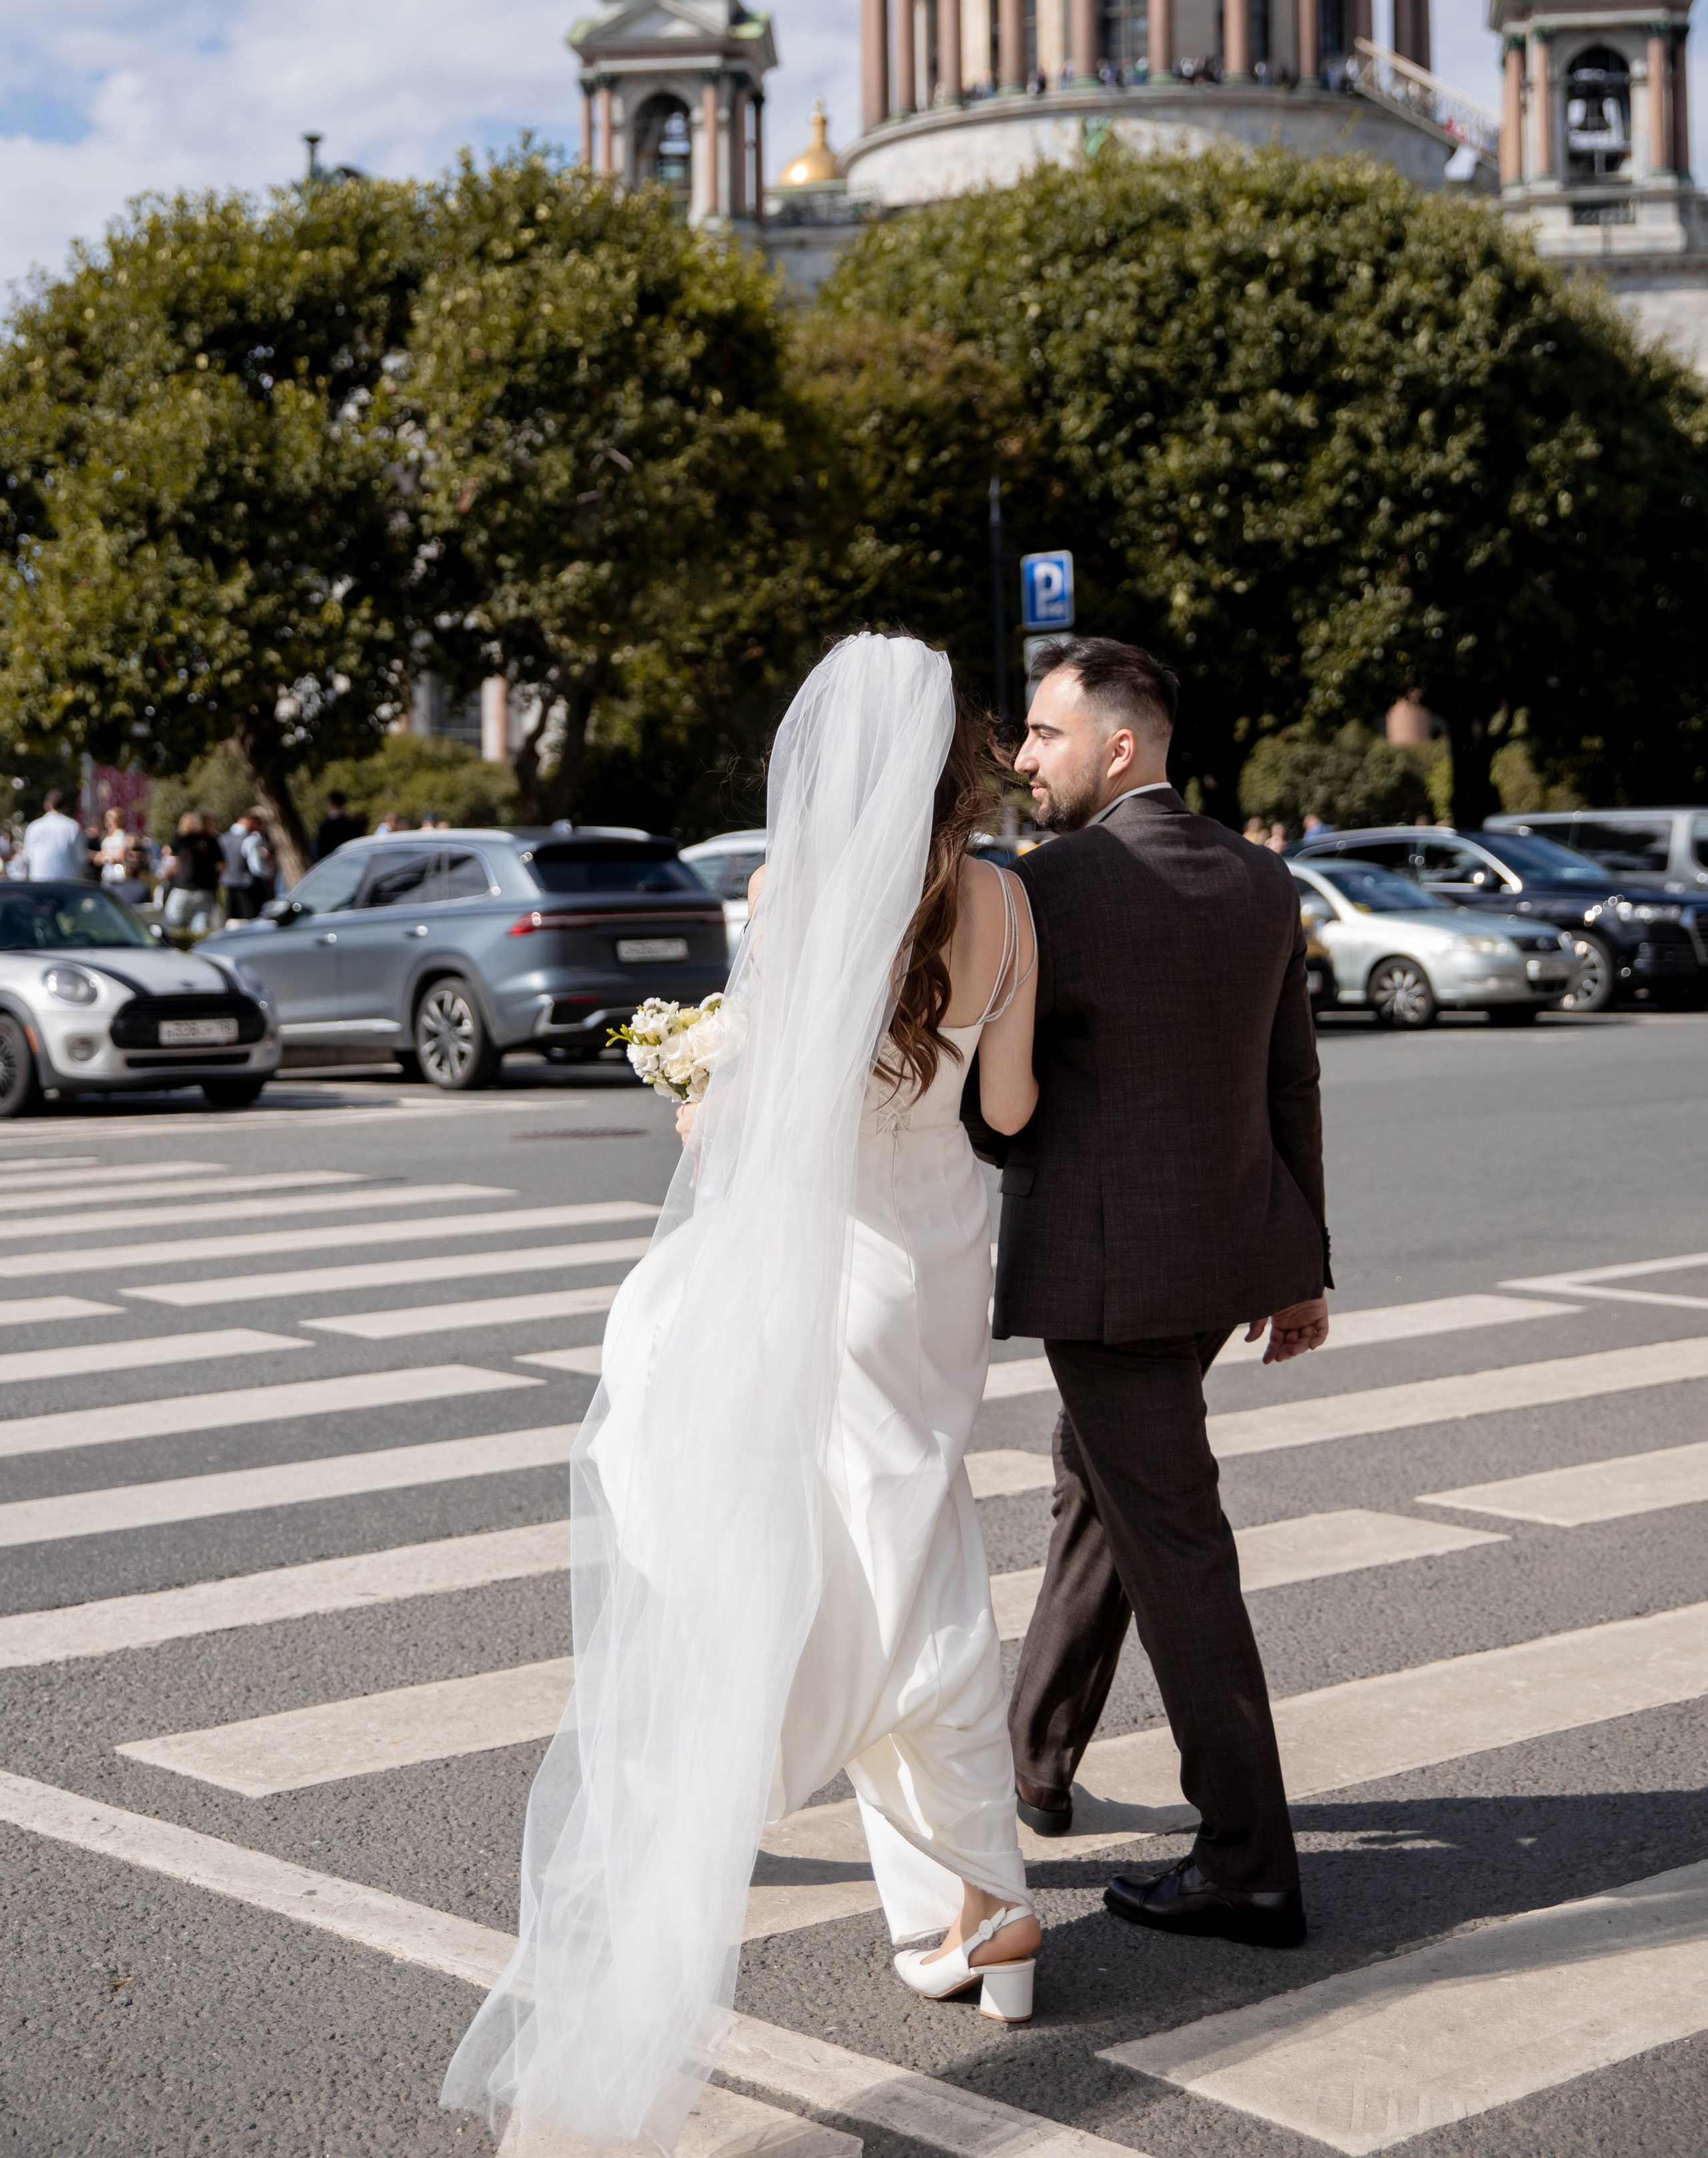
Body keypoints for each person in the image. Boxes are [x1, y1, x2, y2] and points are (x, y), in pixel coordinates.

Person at [442, 636, 1043, 2153]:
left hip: (832, 1255)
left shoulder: (789, 895)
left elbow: (759, 1099)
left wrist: (696, 1082)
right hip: (942, 1254)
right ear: (953, 764)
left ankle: (950, 1877)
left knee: (850, 1549)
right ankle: (973, 1902)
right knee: (917, 1531)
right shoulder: (1002, 900)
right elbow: (1009, 1103)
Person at [973, 635, 1329, 1953]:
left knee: (1174, 1541)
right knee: (1103, 1496)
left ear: (1119, 746)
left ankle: (1248, 1860)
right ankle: (1034, 1756)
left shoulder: (1046, 893)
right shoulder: (1258, 876)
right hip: (1221, 1266)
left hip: (1106, 1276)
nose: (1021, 760)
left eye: (1042, 736)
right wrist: (1298, 1270)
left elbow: (999, 1105)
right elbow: (1286, 1079)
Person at [159, 811, 223, 942]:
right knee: (200, 927)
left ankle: (170, 948)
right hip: (205, 889)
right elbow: (221, 866)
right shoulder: (213, 841)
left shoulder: (184, 838)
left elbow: (168, 851)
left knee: (172, 923)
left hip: (183, 886)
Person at [17, 790, 87, 880]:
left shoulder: (34, 827)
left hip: (39, 882)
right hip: (66, 884)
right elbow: (81, 858)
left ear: (47, 805)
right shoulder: (72, 827)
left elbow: (26, 857)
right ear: (66, 807)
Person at [312, 789, 366, 861]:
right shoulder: (356, 825)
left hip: (333, 867)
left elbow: (321, 855)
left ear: (330, 803)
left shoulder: (326, 828)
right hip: (355, 867)